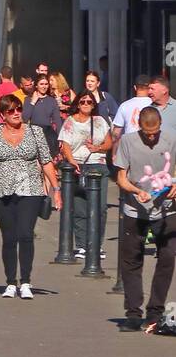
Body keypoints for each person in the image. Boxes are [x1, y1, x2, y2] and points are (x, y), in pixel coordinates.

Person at [0, 95, 60, 300]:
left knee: (26, 234)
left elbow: (46, 162)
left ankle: (26, 281)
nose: (16, 113)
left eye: (18, 109)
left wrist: (56, 188)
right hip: (2, 190)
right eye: (10, 110)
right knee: (9, 238)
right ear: (2, 114)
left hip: (30, 189)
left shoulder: (35, 132)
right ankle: (11, 282)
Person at [114, 106, 176, 332]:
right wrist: (134, 191)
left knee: (168, 256)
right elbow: (121, 177)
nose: (151, 137)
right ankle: (133, 313)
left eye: (155, 132)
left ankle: (155, 311)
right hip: (135, 209)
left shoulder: (171, 139)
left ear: (161, 125)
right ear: (139, 127)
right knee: (131, 259)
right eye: (147, 133)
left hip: (167, 208)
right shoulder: (128, 141)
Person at [58, 91, 113, 260]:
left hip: (97, 165)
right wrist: (71, 160)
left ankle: (97, 244)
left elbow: (109, 142)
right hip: (78, 166)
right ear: (78, 103)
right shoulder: (70, 121)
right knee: (80, 207)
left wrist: (99, 148)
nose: (87, 104)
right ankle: (82, 245)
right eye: (83, 101)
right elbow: (65, 144)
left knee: (100, 208)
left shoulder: (100, 121)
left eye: (90, 102)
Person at [25, 72, 63, 157]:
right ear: (36, 85)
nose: (44, 86)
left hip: (48, 134)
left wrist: (60, 137)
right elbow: (25, 118)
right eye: (41, 84)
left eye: (46, 84)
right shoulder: (28, 99)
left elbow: (57, 120)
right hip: (33, 133)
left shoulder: (52, 100)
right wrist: (33, 102)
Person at [112, 75, 154, 143]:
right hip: (149, 143)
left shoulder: (124, 105)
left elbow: (116, 132)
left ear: (135, 87)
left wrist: (114, 151)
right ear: (149, 88)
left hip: (129, 144)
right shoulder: (154, 105)